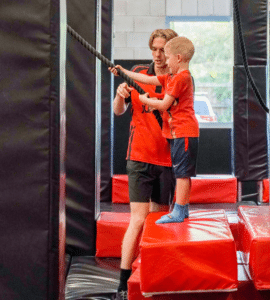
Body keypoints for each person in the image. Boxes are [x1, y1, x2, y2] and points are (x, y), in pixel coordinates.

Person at [112, 29, 178, 300]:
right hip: (139, 156)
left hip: (167, 159)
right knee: (138, 219)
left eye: (163, 49)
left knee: (157, 220)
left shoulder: (179, 77)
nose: (158, 55)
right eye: (154, 49)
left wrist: (155, 104)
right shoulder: (137, 71)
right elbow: (119, 110)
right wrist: (120, 93)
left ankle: (150, 273)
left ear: (172, 50)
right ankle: (122, 283)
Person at [110, 36, 199, 225]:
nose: (163, 60)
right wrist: (123, 72)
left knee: (182, 175)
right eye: (156, 51)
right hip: (174, 136)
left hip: (183, 133)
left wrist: (146, 101)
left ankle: (180, 209)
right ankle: (182, 208)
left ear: (178, 58)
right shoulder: (172, 77)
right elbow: (147, 78)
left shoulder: (182, 78)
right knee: (182, 174)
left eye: (166, 56)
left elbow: (165, 104)